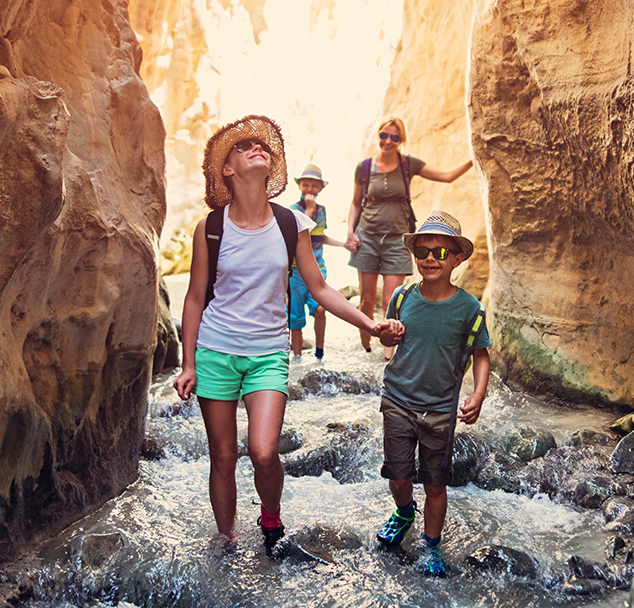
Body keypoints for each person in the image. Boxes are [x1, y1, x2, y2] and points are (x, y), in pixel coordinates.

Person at [174, 114, 400, 555]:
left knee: (262, 452)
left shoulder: (291, 222)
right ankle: (226, 541)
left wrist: (368, 323)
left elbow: (319, 288)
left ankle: (270, 516)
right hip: (215, 350)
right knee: (221, 457)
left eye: (262, 146)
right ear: (228, 169)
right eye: (243, 148)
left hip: (267, 354)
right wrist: (187, 363)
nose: (256, 148)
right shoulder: (211, 226)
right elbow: (194, 298)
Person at [374, 211, 491, 577]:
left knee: (435, 482)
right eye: (423, 250)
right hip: (397, 399)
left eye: (440, 253)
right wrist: (386, 338)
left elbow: (481, 354)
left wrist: (478, 393)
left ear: (457, 259)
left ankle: (432, 546)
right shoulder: (403, 295)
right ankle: (405, 511)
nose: (429, 258)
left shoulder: (470, 309)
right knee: (398, 475)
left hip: (440, 410)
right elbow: (388, 341)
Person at [345, 117, 474, 358]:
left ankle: (388, 356)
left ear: (401, 140)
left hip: (396, 240)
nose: (388, 141)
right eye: (384, 135)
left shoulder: (408, 165)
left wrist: (475, 156)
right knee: (366, 300)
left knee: (391, 301)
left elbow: (447, 176)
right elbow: (354, 203)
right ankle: (365, 350)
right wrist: (350, 232)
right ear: (378, 136)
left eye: (394, 137)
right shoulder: (364, 167)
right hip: (367, 238)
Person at [287, 164, 341, 360]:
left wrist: (344, 244)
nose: (309, 189)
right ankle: (298, 357)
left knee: (320, 308)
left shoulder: (322, 211)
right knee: (295, 317)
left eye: (314, 186)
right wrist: (308, 209)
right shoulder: (293, 210)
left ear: (320, 188)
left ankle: (319, 353)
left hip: (318, 269)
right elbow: (296, 233)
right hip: (296, 273)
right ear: (300, 186)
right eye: (305, 185)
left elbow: (320, 237)